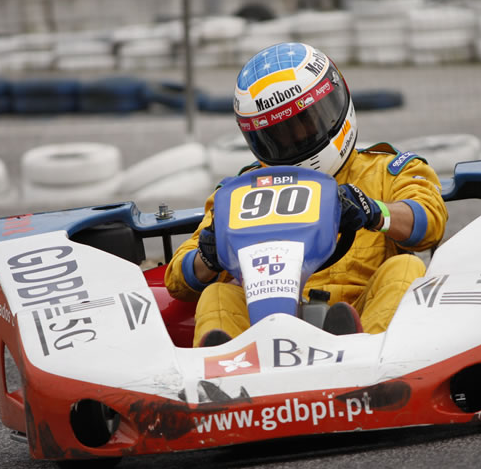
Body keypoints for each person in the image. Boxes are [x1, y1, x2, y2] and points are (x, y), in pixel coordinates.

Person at [165, 42, 448, 347]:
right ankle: (225, 377)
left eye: (306, 122)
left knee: (405, 267)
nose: (297, 138)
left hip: (363, 316)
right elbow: (176, 281)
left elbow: (430, 221)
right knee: (217, 294)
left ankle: (368, 358)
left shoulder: (386, 169)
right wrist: (208, 256)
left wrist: (374, 211)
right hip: (269, 328)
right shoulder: (244, 190)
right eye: (278, 135)